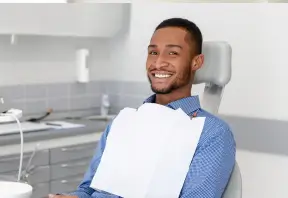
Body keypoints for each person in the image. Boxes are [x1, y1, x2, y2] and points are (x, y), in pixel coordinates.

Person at [49, 17, 236, 198]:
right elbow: (89, 189)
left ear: (196, 62)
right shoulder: (124, 122)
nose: (158, 63)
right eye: (153, 52)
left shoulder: (212, 133)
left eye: (173, 53)